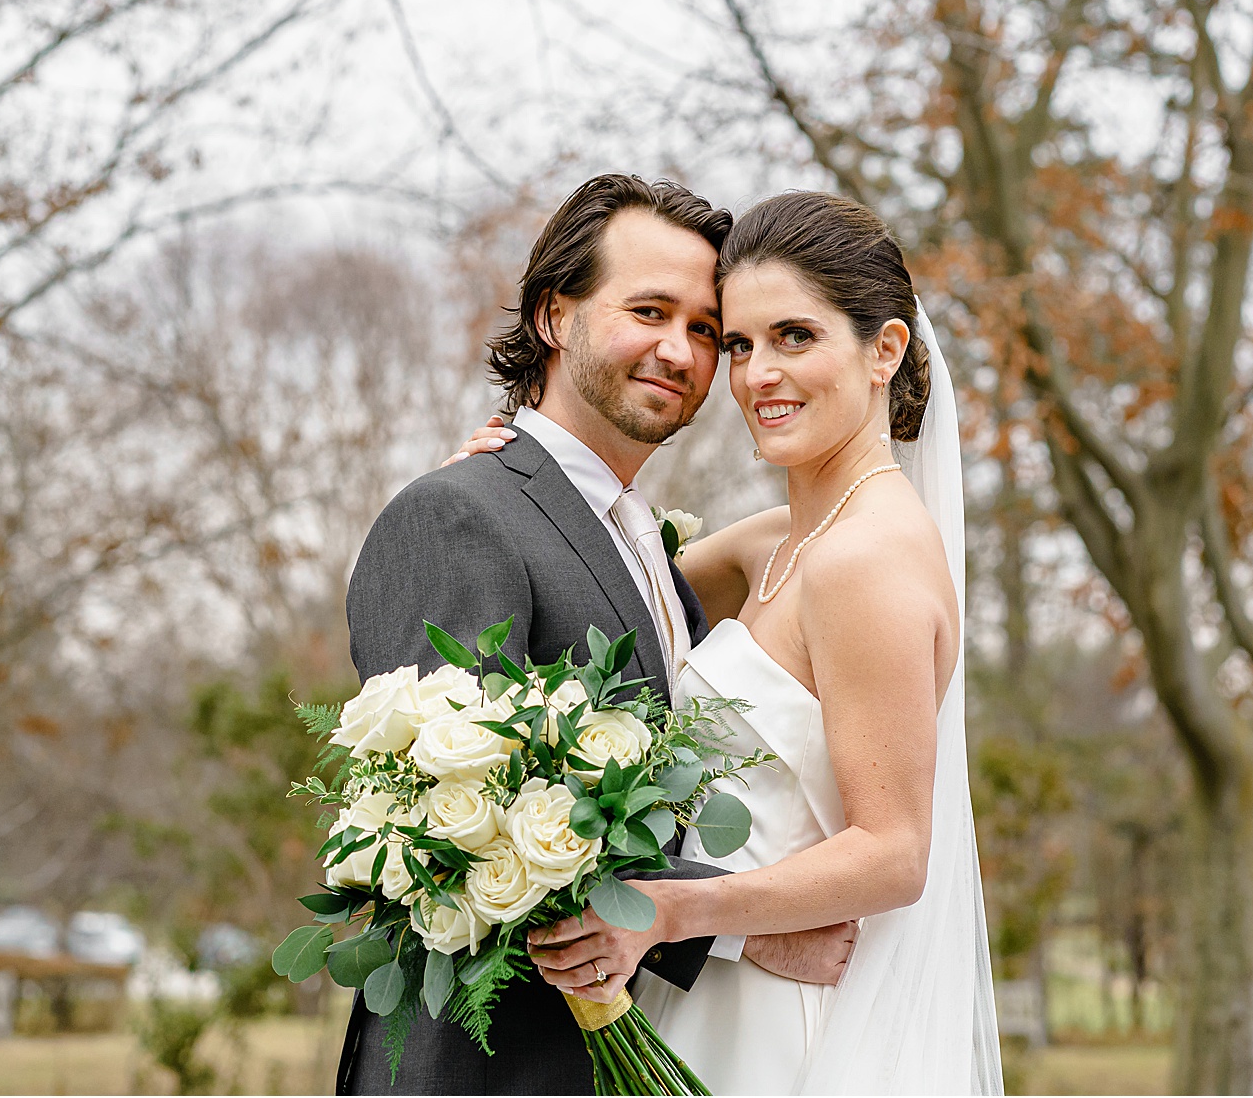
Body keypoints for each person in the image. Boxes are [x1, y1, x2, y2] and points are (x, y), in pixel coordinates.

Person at [455, 191, 1004, 1094]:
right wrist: (492, 488)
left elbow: (895, 850)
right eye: (740, 343)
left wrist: (677, 910)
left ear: (886, 350)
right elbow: (594, 576)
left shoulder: (866, 561)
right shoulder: (774, 543)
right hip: (704, 988)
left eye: (795, 336)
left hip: (774, 1021)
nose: (756, 375)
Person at [336, 174, 860, 1095]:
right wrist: (739, 929)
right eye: (649, 310)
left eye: (706, 330)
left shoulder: (645, 543)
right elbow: (454, 840)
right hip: (485, 1067)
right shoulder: (458, 516)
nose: (680, 350)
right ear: (553, 315)